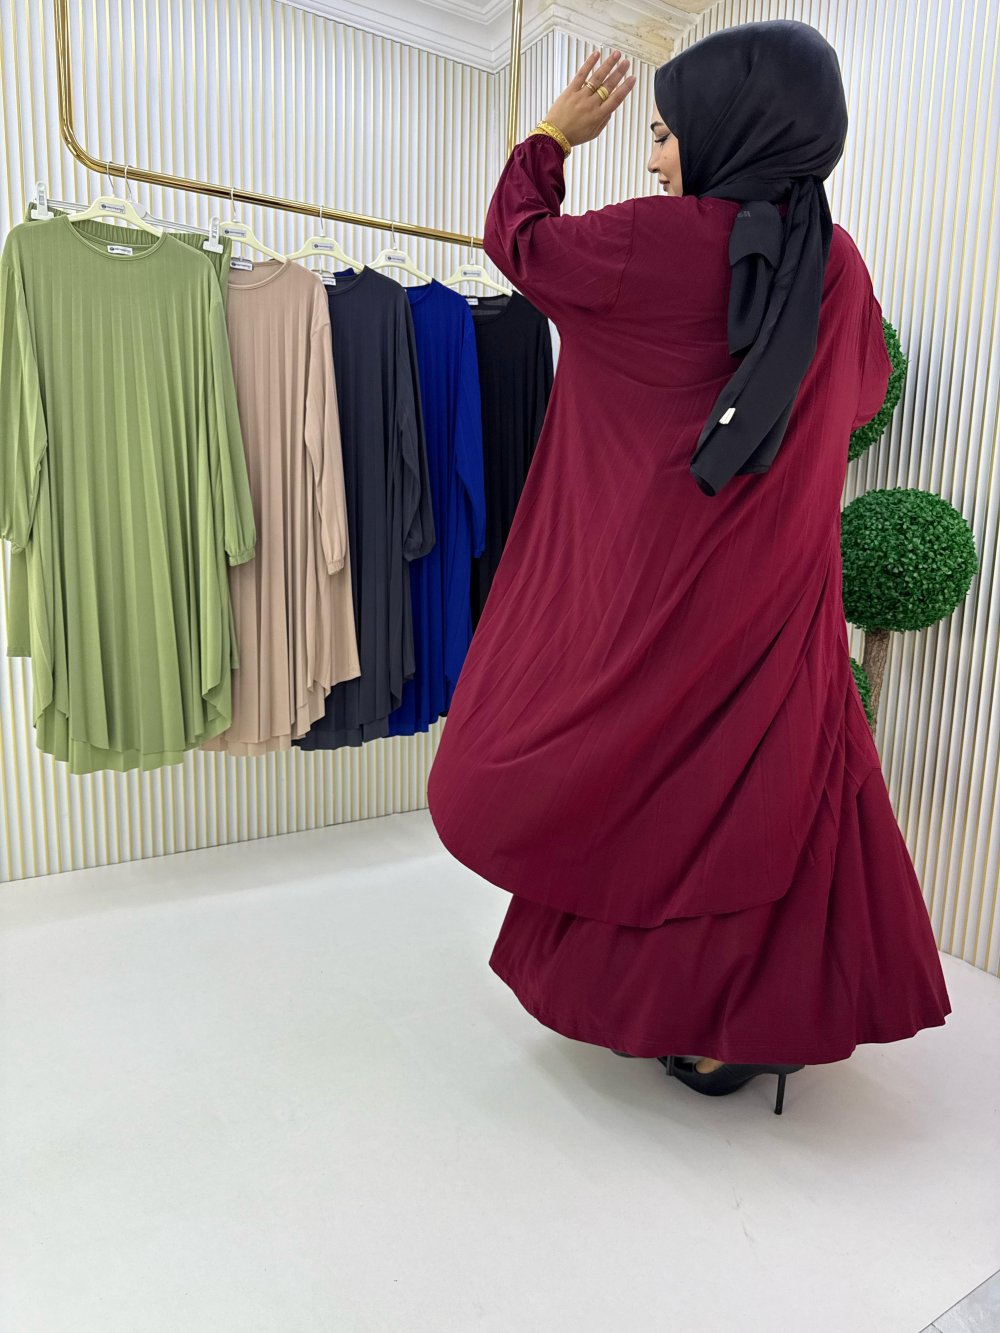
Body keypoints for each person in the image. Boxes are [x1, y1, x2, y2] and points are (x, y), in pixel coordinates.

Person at [425, 21, 951, 1116]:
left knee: (642, 791)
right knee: (760, 798)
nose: (657, 157)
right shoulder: (836, 262)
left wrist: (550, 136)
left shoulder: (653, 242)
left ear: (731, 130)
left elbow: (520, 243)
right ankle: (742, 1030)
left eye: (665, 134)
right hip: (777, 598)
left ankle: (687, 1017)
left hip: (665, 594)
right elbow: (857, 392)